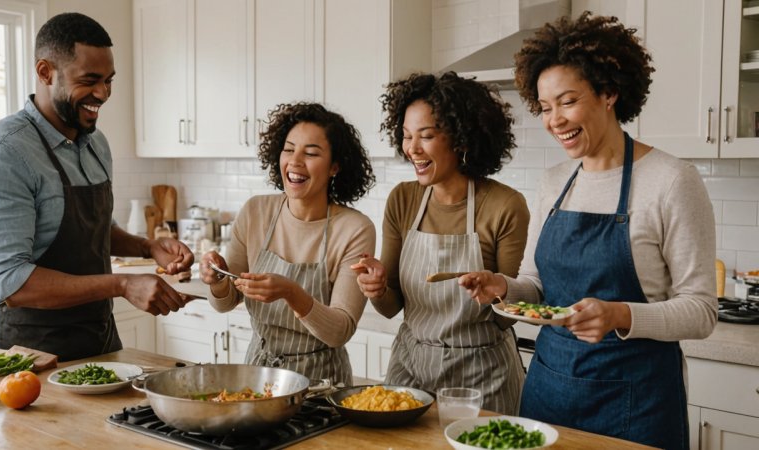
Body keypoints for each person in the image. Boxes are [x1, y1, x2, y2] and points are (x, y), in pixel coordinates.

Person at [458, 12, 717, 449]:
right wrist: (502, 286)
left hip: (638, 404)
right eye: (544, 108)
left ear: (609, 92)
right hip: (549, 392)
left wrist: (619, 314)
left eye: (567, 101)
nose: (554, 119)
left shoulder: (671, 179)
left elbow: (701, 310)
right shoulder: (554, 181)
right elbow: (537, 285)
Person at [0, 13, 194, 361]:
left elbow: (92, 230)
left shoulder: (95, 143)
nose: (102, 93)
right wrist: (123, 284)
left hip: (99, 345)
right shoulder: (6, 153)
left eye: (109, 80)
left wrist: (148, 247)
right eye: (90, 80)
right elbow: (9, 282)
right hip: (28, 358)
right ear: (45, 72)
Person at [351, 72, 529, 413]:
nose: (411, 149)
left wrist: (496, 290)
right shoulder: (403, 200)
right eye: (405, 136)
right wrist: (374, 288)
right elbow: (391, 305)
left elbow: (507, 318)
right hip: (410, 369)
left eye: (426, 136)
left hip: (482, 376)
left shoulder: (505, 205)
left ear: (461, 139)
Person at [199, 102, 375, 386]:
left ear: (334, 167)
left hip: (321, 383)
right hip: (259, 374)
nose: (295, 161)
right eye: (289, 149)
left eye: (311, 153)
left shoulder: (354, 228)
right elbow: (226, 302)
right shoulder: (256, 212)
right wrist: (216, 279)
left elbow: (339, 331)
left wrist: (292, 293)